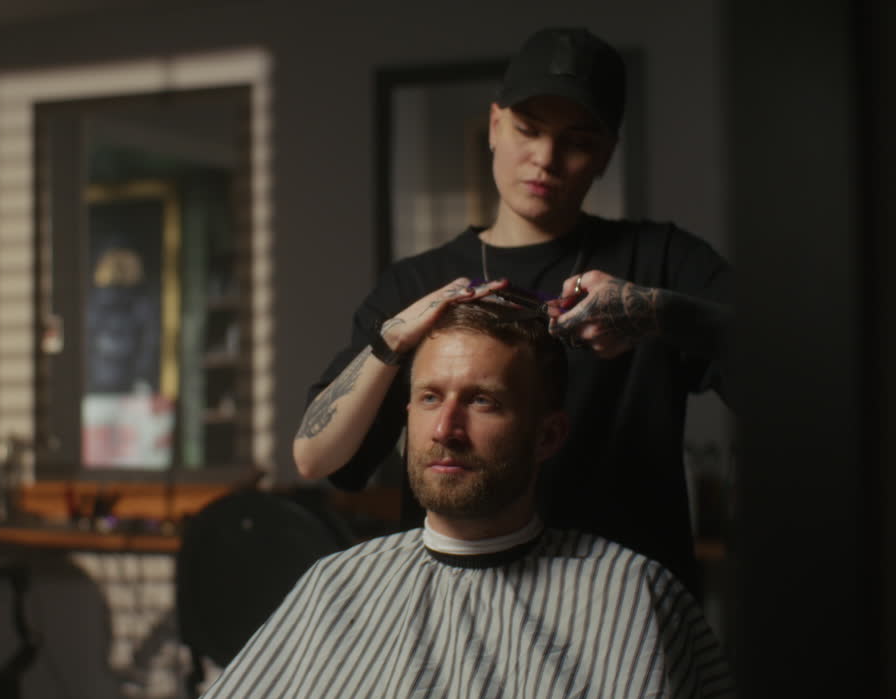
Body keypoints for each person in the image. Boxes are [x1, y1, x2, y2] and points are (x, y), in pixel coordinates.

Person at [293, 26, 731, 594]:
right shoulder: (416, 282)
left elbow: (797, 371)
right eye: (529, 130)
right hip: (459, 603)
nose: (546, 158)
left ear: (606, 154)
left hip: (624, 605)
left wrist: (663, 313)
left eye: (576, 140)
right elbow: (318, 458)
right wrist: (391, 340)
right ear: (495, 126)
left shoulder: (663, 260)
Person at [183, 301, 734, 699]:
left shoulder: (635, 596)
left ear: (548, 435)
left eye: (481, 401)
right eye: (430, 398)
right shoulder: (335, 586)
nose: (446, 429)